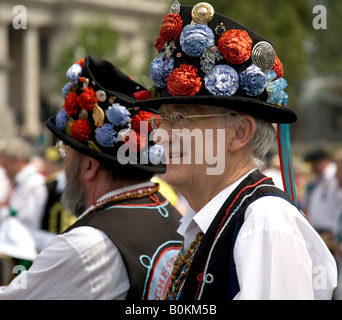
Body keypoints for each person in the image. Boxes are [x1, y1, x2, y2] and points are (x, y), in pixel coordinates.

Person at [137, 1, 337, 299]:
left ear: (240, 133)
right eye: (160, 120)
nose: (160, 136)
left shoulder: (264, 222)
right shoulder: (215, 217)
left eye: (178, 118)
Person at [0, 56, 182, 300]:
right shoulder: (173, 216)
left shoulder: (84, 245)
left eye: (66, 154)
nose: (63, 165)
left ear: (88, 166)